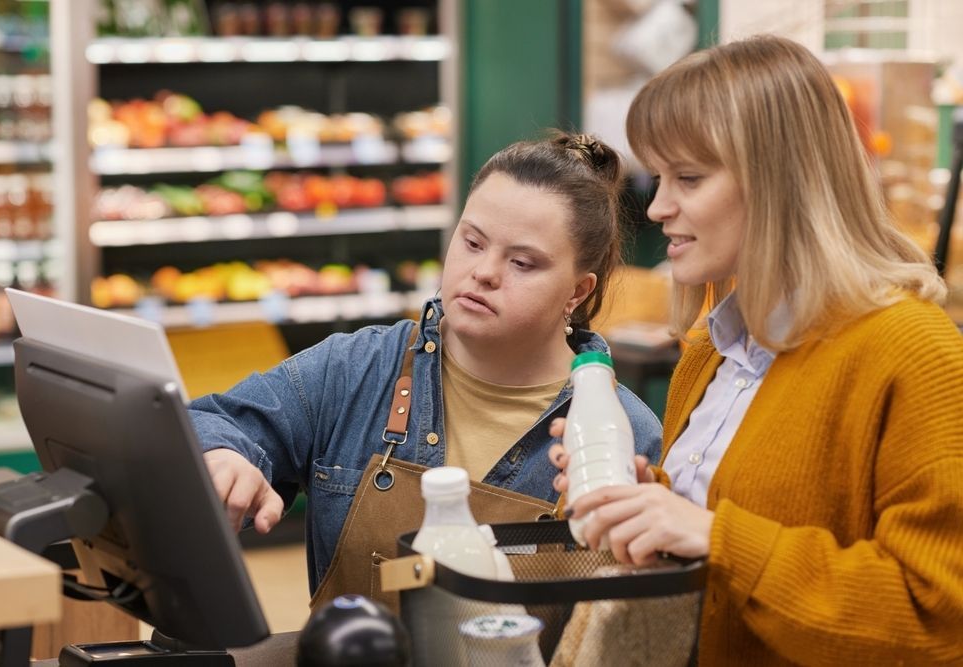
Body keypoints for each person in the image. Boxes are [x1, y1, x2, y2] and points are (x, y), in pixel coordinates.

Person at [551, 35, 963, 664]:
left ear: (783, 180)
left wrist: (715, 537)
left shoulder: (912, 352)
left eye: (688, 177)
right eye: (658, 177)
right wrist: (650, 504)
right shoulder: (712, 348)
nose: (658, 207)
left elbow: (937, 619)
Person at [188, 132, 663, 605]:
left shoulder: (626, 435)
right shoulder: (354, 370)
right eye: (472, 242)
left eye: (521, 262)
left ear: (577, 292)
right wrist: (222, 454)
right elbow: (210, 421)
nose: (484, 272)